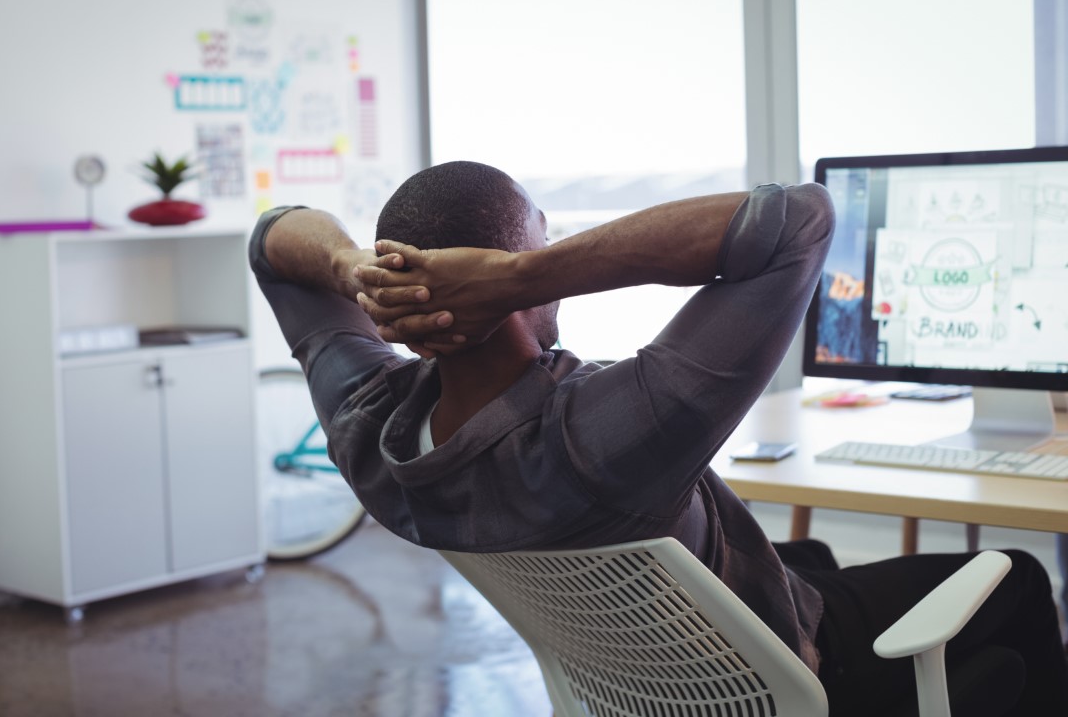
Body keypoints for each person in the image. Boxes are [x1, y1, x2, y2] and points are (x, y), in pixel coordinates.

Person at [250, 160, 1068, 715]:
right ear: (505, 271)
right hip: (787, 677)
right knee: (1021, 578)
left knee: (803, 559)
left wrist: (357, 268)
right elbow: (798, 221)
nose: (550, 260)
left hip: (645, 677)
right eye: (543, 245)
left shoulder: (369, 427)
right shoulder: (606, 433)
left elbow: (274, 240)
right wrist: (521, 278)